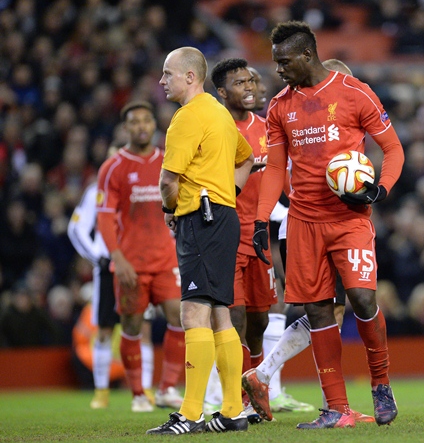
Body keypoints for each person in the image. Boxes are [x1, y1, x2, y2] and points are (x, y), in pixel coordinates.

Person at [250, 22, 404, 429]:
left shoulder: (354, 92)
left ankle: (381, 382)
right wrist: (262, 217)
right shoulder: (280, 106)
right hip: (303, 221)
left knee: (362, 299)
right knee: (318, 311)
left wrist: (380, 191)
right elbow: (274, 168)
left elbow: (392, 148)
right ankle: (336, 409)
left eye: (284, 62)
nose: (278, 70)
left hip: (349, 219)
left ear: (306, 56)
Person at [242, 58, 374, 423]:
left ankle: (274, 379)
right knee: (321, 312)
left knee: (329, 312)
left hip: (311, 223)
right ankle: (267, 377)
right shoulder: (300, 119)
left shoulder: (326, 127)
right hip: (302, 223)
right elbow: (282, 175)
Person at [147, 46, 254, 435]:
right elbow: (246, 158)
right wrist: (229, 195)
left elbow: (167, 181)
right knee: (221, 313)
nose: (162, 81)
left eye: (167, 73)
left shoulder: (187, 118)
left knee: (192, 313)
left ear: (190, 77)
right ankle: (231, 411)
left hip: (201, 220)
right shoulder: (220, 114)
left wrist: (169, 210)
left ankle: (189, 414)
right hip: (222, 218)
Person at [209, 58, 313, 418]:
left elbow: (283, 181)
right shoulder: (214, 129)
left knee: (260, 322)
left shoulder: (268, 128)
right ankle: (231, 403)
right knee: (233, 320)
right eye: (240, 83)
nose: (250, 87)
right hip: (224, 237)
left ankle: (256, 388)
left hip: (259, 236)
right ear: (221, 92)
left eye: (251, 81)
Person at [96, 101, 185, 413]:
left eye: (147, 120)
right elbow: (105, 217)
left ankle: (168, 388)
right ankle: (137, 393)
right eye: (134, 122)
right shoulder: (113, 168)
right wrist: (117, 258)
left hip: (166, 259)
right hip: (131, 263)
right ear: (126, 128)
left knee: (180, 316)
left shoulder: (169, 162)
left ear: (154, 125)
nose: (142, 127)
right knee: (132, 324)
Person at [68, 177, 155, 410]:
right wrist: (98, 258)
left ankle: (144, 390)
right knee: (104, 329)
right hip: (108, 267)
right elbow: (76, 228)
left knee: (142, 328)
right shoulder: (96, 191)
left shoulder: (144, 185)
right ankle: (101, 391)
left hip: (139, 263)